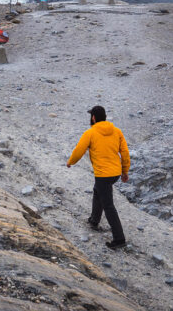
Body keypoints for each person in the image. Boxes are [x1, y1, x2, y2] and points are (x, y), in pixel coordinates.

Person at [66, 105, 130, 249]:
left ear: (93, 117)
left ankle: (119, 239)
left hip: (103, 174)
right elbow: (125, 152)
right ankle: (94, 220)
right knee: (98, 192)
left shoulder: (91, 133)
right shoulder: (117, 131)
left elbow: (79, 150)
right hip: (115, 173)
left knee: (108, 205)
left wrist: (71, 162)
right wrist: (125, 171)